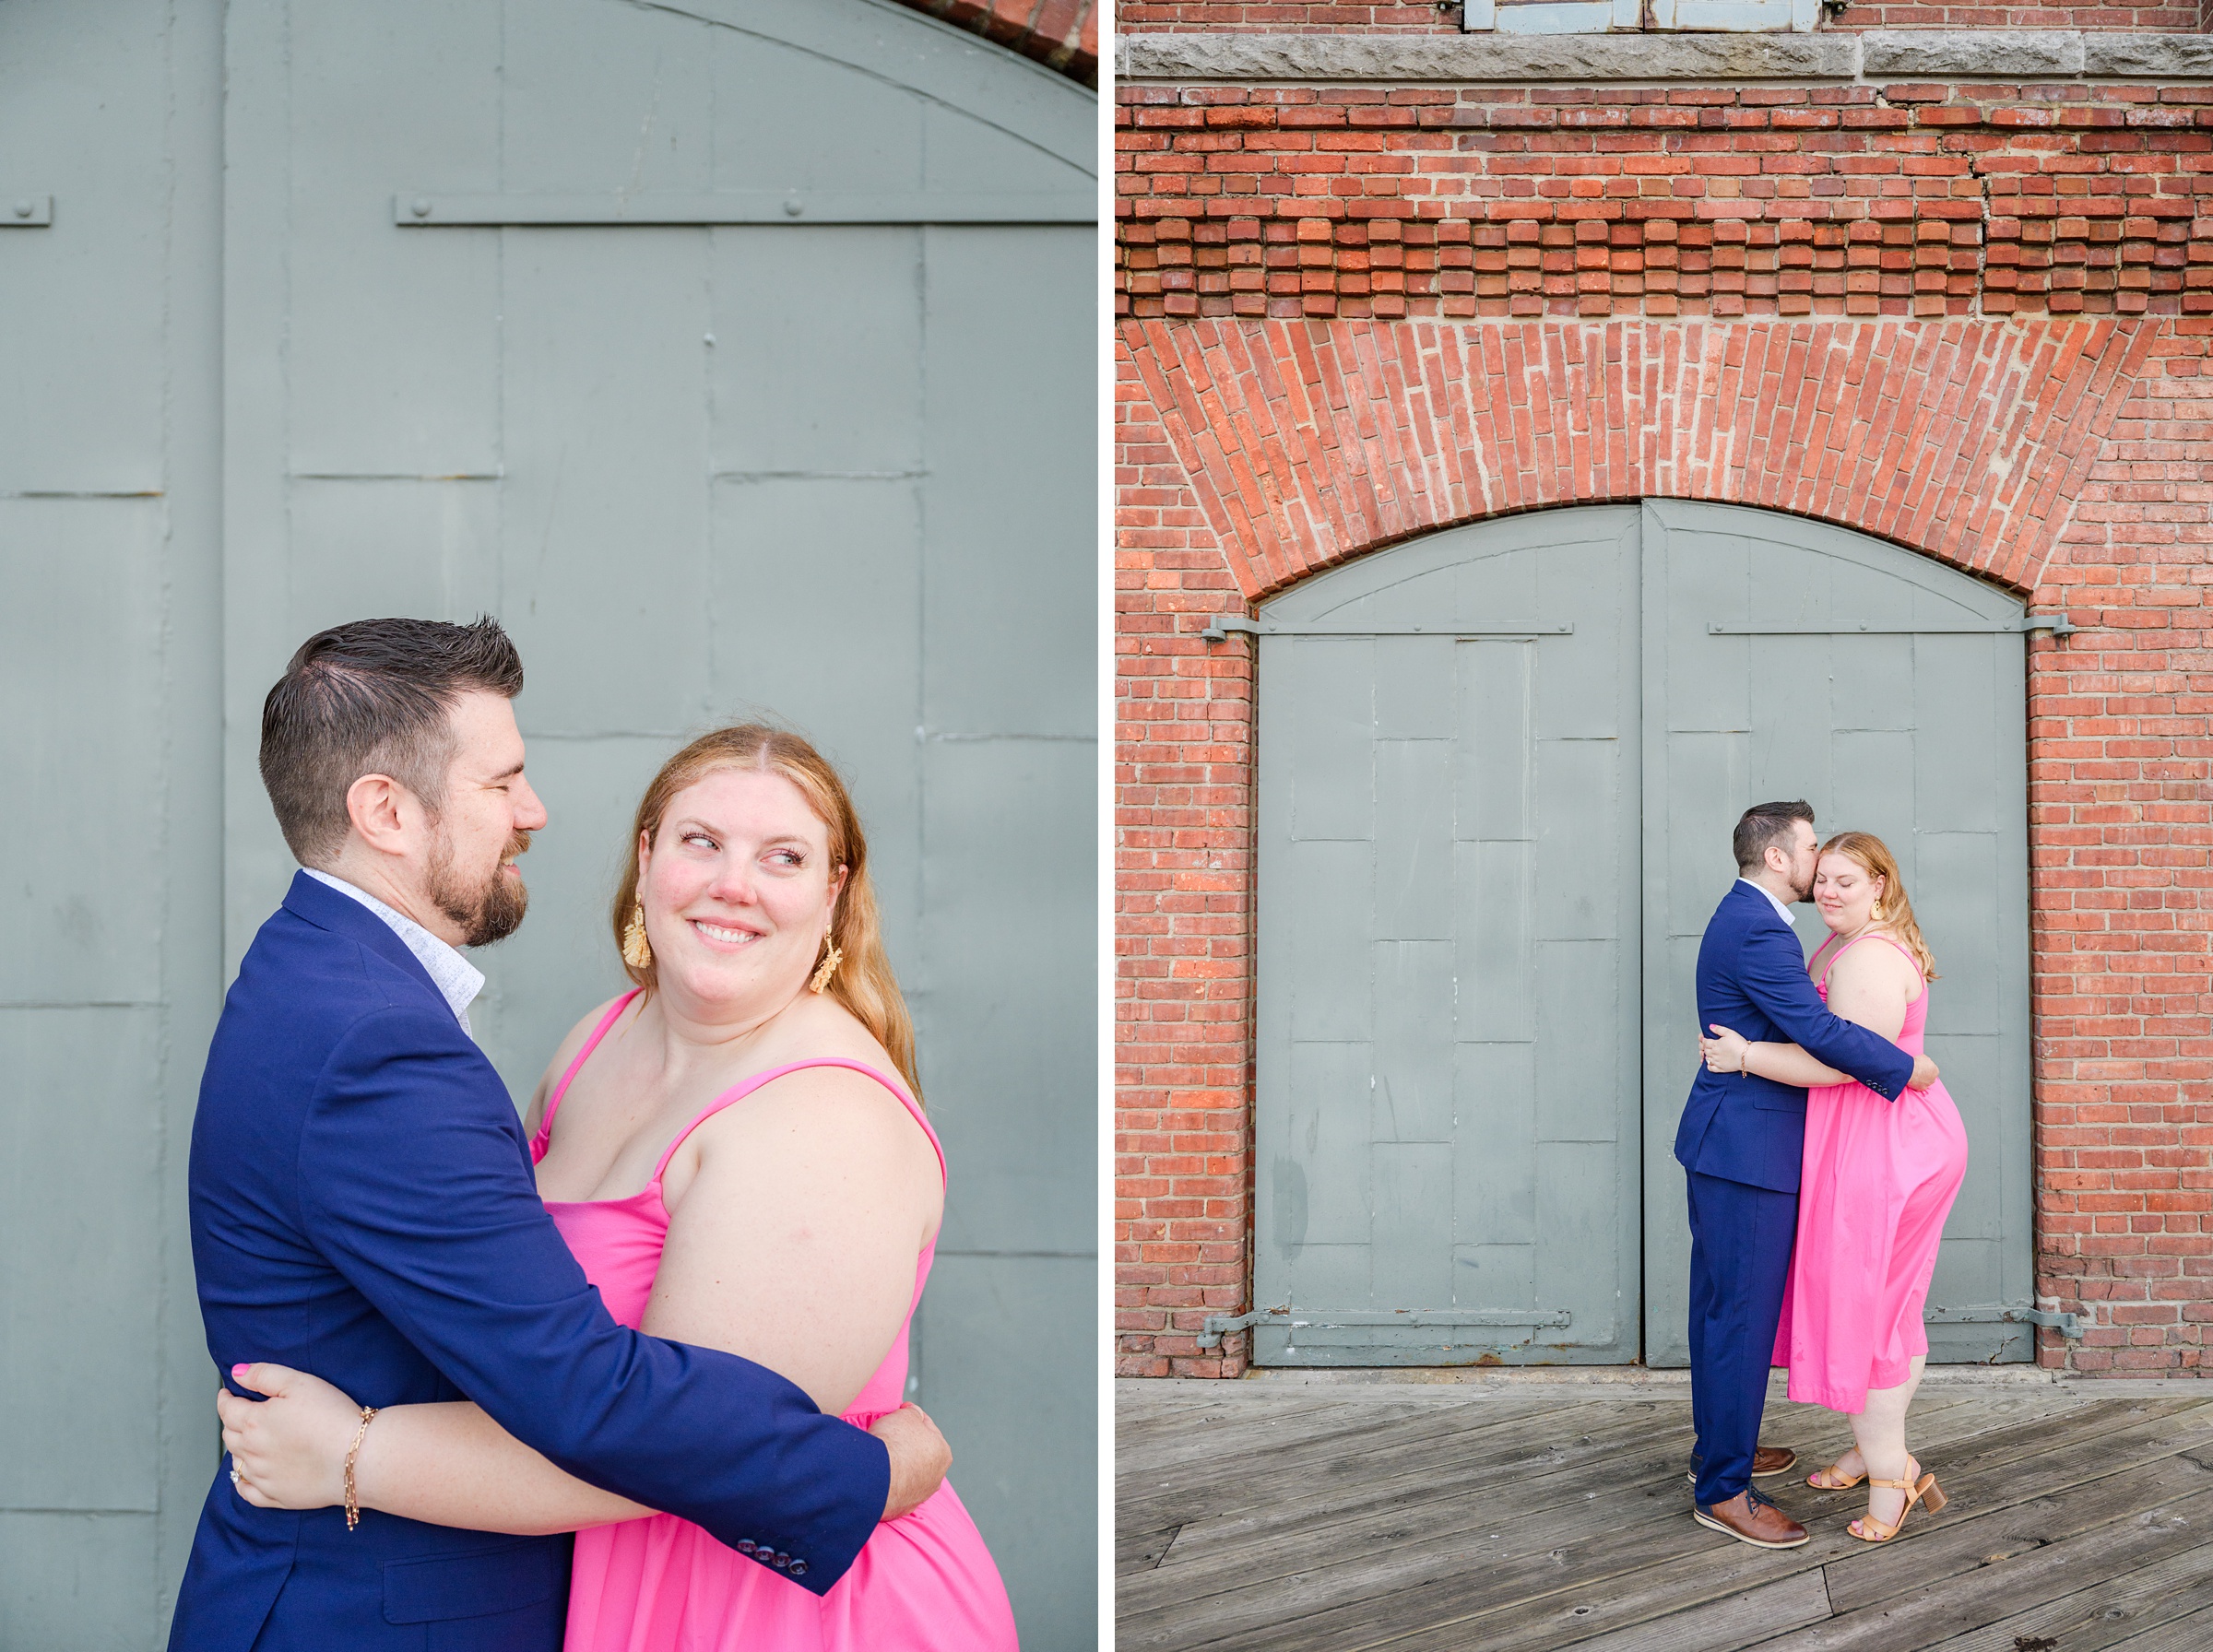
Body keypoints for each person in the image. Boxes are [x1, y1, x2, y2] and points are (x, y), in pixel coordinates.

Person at [175, 620, 949, 1652]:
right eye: (503, 781)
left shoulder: (316, 978)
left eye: (785, 857)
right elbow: (585, 1388)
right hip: (377, 1611)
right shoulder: (390, 1041)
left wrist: (352, 1450)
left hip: (735, 1602)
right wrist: (871, 1472)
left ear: (833, 889)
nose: (532, 812)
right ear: (386, 811)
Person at [1673, 800, 1939, 1552]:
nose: (1819, 864)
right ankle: (1723, 1488)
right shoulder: (1757, 927)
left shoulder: (1748, 918)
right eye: (1812, 849)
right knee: (1738, 1319)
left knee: (1724, 1310)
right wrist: (1909, 1070)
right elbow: (1822, 1032)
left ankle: (1721, 1442)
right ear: (1779, 858)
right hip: (1747, 1155)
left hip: (1739, 1147)